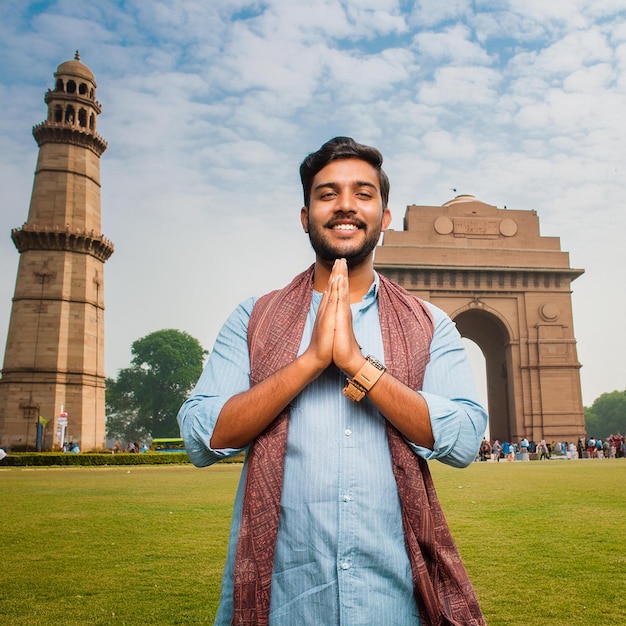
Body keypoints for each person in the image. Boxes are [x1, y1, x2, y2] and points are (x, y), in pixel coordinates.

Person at [178, 137, 488, 626]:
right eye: (327, 194)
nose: (346, 205)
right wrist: (311, 361)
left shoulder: (430, 324)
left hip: (396, 603)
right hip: (285, 602)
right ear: (305, 215)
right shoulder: (253, 319)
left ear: (385, 217)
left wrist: (358, 365)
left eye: (363, 193)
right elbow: (202, 435)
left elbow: (466, 439)